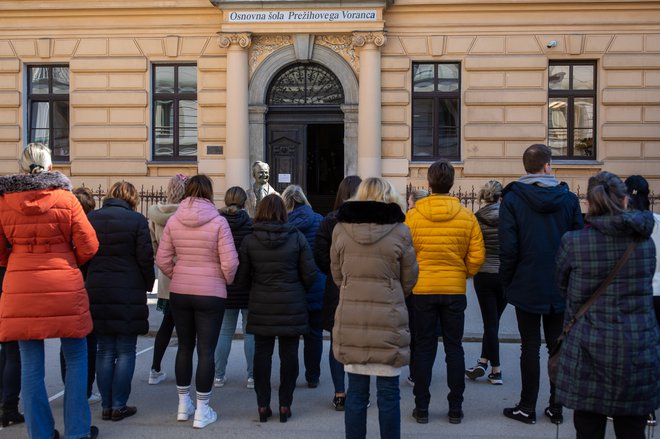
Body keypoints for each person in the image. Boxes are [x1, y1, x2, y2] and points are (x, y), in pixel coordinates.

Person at [0, 143, 100, 439]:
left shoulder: (5, 202)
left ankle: (40, 433)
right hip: (64, 283)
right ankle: (78, 431)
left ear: (22, 168)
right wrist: (69, 260)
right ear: (51, 166)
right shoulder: (66, 199)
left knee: (30, 365)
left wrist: (16, 261)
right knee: (77, 358)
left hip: (20, 285)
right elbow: (90, 245)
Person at [555, 171, 660, 439]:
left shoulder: (574, 242)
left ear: (590, 203)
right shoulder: (644, 243)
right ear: (624, 201)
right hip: (635, 345)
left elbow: (563, 288)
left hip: (588, 345)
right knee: (632, 430)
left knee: (588, 428)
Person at [499, 144, 583, 425]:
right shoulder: (568, 199)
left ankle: (526, 406)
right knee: (556, 347)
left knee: (530, 346)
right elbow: (579, 243)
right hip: (561, 284)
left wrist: (508, 281)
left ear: (526, 167)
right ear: (547, 166)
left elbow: (508, 247)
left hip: (526, 281)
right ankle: (556, 407)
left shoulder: (512, 199)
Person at [331, 178, 418, 439]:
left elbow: (337, 275)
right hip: (388, 320)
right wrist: (391, 295)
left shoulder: (341, 230)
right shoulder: (400, 230)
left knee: (356, 393)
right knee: (389, 395)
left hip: (352, 319)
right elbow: (409, 278)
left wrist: (353, 289)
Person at [405, 160, 485, 425]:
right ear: (452, 184)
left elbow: (404, 254)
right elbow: (477, 257)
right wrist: (463, 273)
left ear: (428, 184)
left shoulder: (413, 216)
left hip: (423, 289)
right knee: (454, 348)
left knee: (424, 348)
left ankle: (422, 407)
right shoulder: (466, 216)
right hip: (453, 290)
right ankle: (455, 409)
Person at [156, 175, 238, 429]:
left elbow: (162, 258)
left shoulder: (174, 221)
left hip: (181, 290)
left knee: (184, 347)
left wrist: (177, 273)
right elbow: (230, 262)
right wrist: (223, 279)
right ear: (209, 192)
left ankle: (183, 405)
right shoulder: (219, 222)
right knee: (206, 350)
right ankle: (202, 409)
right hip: (211, 292)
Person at [234, 194, 317, 423]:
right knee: (289, 355)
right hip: (291, 303)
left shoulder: (250, 240)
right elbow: (310, 274)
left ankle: (262, 405)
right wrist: (297, 288)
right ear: (283, 212)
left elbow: (241, 279)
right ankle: (284, 404)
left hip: (262, 304)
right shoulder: (297, 237)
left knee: (262, 355)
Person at [86, 181, 155, 422]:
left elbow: (84, 253)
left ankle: (106, 404)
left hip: (97, 288)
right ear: (132, 198)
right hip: (128, 288)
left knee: (104, 349)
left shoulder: (92, 218)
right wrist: (149, 283)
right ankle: (119, 405)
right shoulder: (136, 220)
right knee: (126, 349)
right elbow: (145, 258)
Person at [314, 175, 361, 411]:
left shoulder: (330, 221)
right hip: (362, 287)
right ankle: (357, 392)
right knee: (358, 344)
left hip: (336, 286)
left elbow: (320, 253)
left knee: (336, 342)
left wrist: (334, 272)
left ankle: (339, 393)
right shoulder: (369, 220)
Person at [281, 185, 326, 388]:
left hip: (292, 287)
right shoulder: (319, 219)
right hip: (317, 284)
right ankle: (313, 376)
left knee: (290, 335)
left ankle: (290, 377)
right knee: (314, 334)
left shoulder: (283, 224)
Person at [59, 187, 101, 404]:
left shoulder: (60, 226)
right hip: (86, 288)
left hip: (65, 287)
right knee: (89, 342)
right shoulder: (88, 227)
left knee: (66, 342)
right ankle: (84, 389)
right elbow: (91, 252)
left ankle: (70, 387)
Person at [624, 175, 660, 427]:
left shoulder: (625, 226)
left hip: (635, 292)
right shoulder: (658, 222)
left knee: (631, 350)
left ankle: (637, 406)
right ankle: (649, 403)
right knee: (654, 350)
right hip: (659, 292)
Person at [147, 174, 187, 385]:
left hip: (166, 274)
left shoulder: (156, 215)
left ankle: (155, 368)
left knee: (167, 323)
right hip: (186, 273)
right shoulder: (187, 214)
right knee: (185, 328)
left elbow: (153, 246)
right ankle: (184, 373)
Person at [465, 180, 506, 385]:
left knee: (491, 322)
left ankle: (493, 368)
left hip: (483, 274)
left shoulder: (476, 219)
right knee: (494, 322)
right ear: (501, 197)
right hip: (505, 274)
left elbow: (472, 248)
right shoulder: (510, 218)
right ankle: (485, 364)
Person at [214, 186, 254, 389]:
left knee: (224, 331)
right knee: (250, 331)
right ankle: (252, 377)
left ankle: (219, 376)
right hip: (247, 285)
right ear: (245, 202)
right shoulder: (250, 225)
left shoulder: (217, 224)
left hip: (225, 284)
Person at [404, 186, 428, 387]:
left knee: (414, 329)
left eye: (409, 203)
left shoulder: (410, 220)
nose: (408, 206)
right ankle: (423, 371)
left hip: (414, 282)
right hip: (444, 284)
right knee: (429, 333)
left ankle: (415, 371)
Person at [0, 265, 23, 428]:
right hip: (9, 282)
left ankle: (5, 401)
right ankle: (9, 407)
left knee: (6, 351)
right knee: (13, 353)